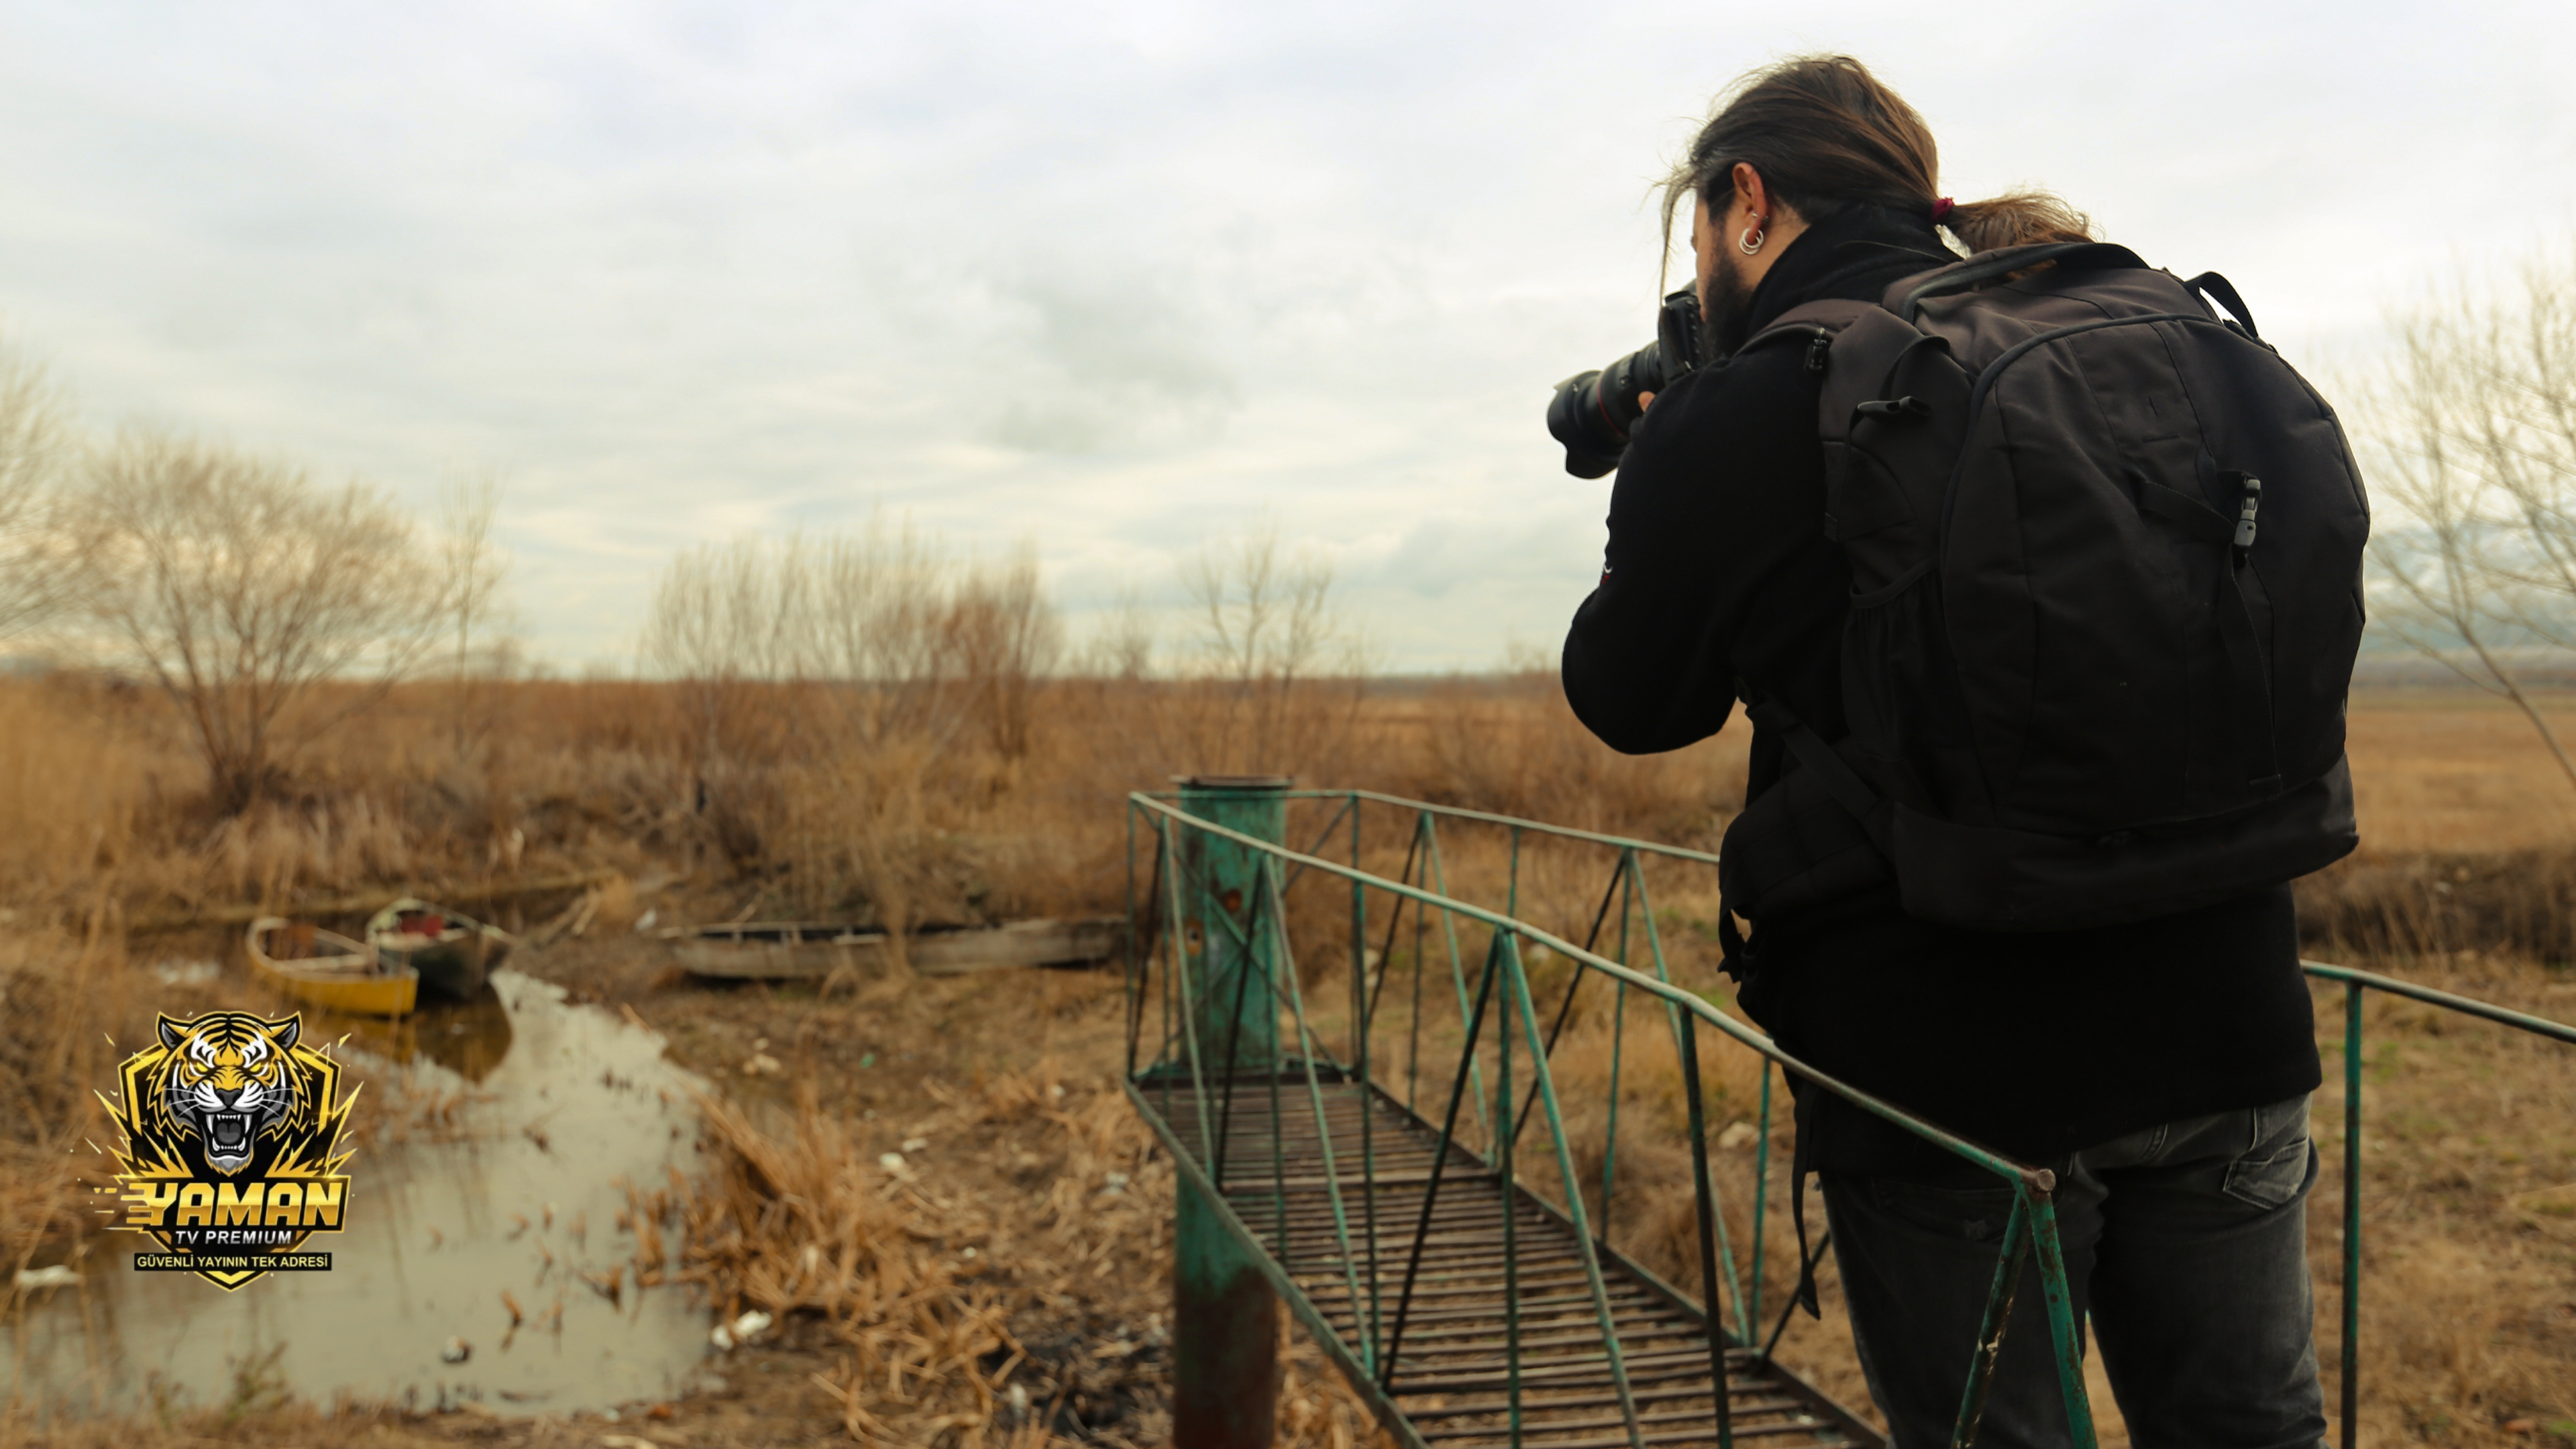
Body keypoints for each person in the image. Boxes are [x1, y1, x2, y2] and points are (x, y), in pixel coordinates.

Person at [1560, 56, 2330, 1448]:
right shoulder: (2125, 327)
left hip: (1943, 1078)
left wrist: (1659, 488)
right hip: (2230, 1018)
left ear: (1748, 205)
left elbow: (1633, 698)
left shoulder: (1743, 410)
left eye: (1694, 238)